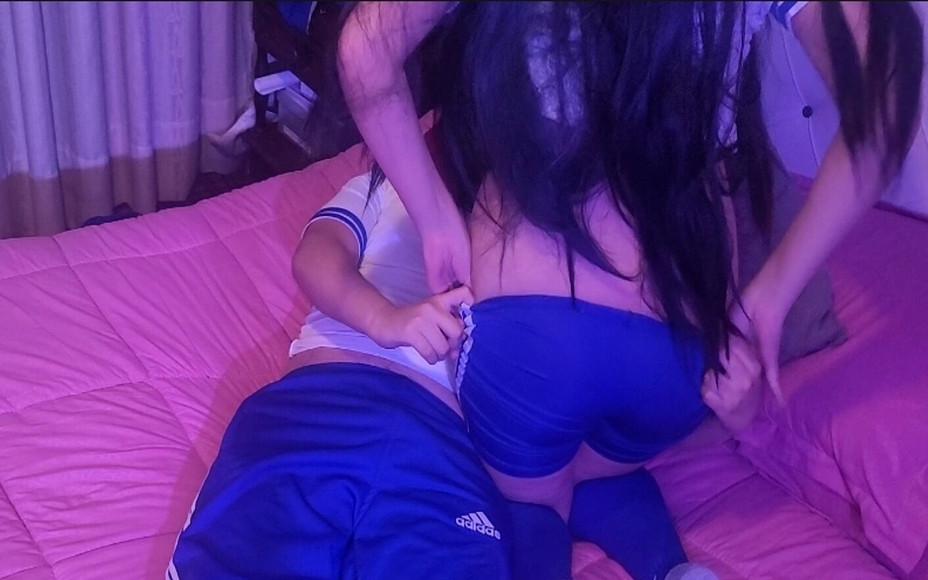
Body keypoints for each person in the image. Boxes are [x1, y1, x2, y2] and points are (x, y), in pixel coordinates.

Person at [337, 2, 923, 579]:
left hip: (535, 336)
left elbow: (364, 52)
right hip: (679, 356)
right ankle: (673, 568)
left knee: (533, 504)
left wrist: (436, 220)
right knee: (601, 471)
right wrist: (772, 293)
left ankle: (551, 511)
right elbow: (888, 102)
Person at [167, 142, 513, 579]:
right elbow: (316, 254)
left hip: (442, 441)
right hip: (320, 403)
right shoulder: (385, 184)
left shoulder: (530, 231)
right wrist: (385, 318)